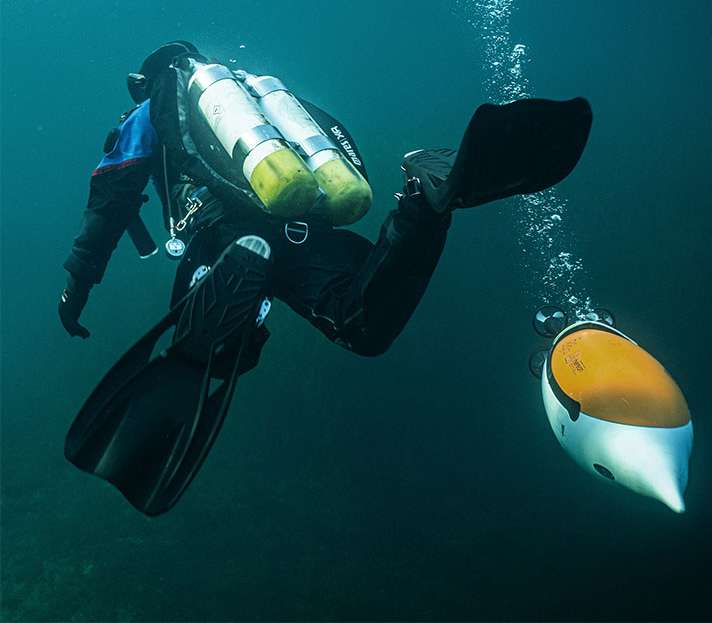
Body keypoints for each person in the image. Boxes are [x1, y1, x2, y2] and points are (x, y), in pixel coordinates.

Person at [59, 40, 592, 515]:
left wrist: (76, 288)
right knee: (361, 326)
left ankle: (238, 293)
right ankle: (421, 203)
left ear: (146, 79)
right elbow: (337, 142)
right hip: (301, 222)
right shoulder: (260, 97)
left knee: (212, 349)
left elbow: (109, 200)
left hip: (219, 224)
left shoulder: (152, 109)